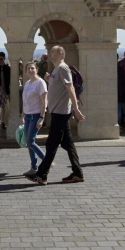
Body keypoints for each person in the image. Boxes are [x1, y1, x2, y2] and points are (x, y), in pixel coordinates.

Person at [26, 46, 85, 185]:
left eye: (52, 51)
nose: (49, 53)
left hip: (61, 112)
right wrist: (48, 79)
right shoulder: (56, 70)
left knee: (51, 144)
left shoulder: (63, 68)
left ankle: (41, 174)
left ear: (60, 53)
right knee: (67, 143)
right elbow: (57, 88)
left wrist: (76, 109)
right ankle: (77, 173)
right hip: (58, 112)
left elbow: (70, 88)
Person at [20, 61, 47, 175]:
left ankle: (47, 161)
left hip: (36, 115)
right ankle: (34, 167)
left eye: (32, 68)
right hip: (27, 116)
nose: (30, 70)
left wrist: (41, 117)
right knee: (28, 142)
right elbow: (25, 100)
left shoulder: (40, 83)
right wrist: (22, 114)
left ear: (37, 69)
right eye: (28, 69)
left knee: (30, 141)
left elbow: (44, 102)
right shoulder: (27, 83)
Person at [0, 52, 12, 136]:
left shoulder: (7, 68)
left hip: (5, 90)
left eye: (1, 59)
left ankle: (3, 122)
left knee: (7, 107)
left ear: (4, 59)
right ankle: (0, 123)